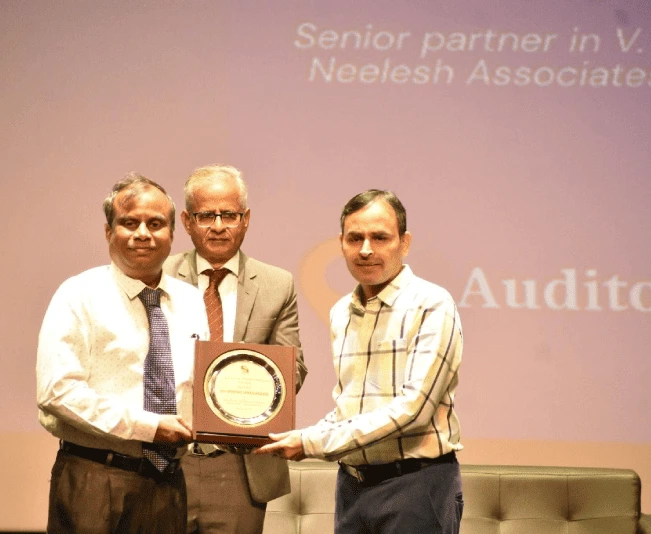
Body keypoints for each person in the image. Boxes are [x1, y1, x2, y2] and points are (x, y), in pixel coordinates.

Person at [256, 189, 464, 534]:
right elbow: (348, 407)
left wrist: (310, 442)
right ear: (342, 244)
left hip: (416, 486)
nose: (366, 249)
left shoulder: (432, 304)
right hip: (352, 487)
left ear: (404, 242)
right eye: (356, 238)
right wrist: (294, 435)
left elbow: (413, 410)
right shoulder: (342, 312)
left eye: (379, 237)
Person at [36, 173, 209, 534]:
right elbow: (58, 392)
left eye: (156, 223)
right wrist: (149, 427)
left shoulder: (190, 300)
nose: (143, 233)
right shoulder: (79, 294)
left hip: (168, 481)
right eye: (129, 222)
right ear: (108, 232)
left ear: (172, 234)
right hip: (96, 477)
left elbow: (201, 386)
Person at [164, 164, 308, 534]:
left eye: (228, 214)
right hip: (166, 458)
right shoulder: (159, 277)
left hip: (239, 465)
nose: (217, 225)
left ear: (245, 219)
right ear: (186, 220)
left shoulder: (277, 284)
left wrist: (251, 381)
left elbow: (294, 370)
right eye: (206, 215)